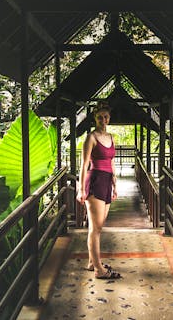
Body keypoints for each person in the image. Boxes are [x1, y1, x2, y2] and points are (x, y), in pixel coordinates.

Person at [76, 101, 121, 279]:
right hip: (95, 180)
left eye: (106, 117)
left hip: (107, 181)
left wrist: (115, 184)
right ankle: (99, 270)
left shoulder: (111, 137)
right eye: (100, 117)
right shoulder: (91, 137)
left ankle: (91, 261)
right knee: (96, 228)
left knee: (98, 226)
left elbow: (111, 162)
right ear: (95, 119)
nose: (104, 120)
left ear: (109, 119)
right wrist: (80, 189)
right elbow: (84, 164)